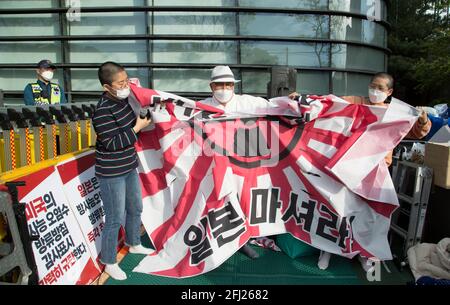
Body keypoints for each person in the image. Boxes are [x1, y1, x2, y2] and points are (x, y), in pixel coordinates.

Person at [289, 72, 432, 271]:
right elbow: (329, 103)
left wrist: (423, 119)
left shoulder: (395, 112)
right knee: (338, 209)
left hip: (376, 170)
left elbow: (418, 131)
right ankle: (327, 250)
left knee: (369, 216)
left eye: (381, 88)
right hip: (346, 167)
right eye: (373, 85)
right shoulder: (355, 102)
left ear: (390, 92)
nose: (375, 90)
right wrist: (304, 98)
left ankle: (365, 254)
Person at [199, 66, 299, 259]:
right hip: (218, 165)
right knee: (223, 200)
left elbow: (273, 106)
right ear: (211, 86)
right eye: (220, 85)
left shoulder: (247, 102)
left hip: (246, 164)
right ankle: (231, 240)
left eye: (228, 84)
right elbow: (178, 117)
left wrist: (291, 100)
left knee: (246, 199)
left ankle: (249, 237)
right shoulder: (201, 106)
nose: (224, 88)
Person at [92, 61, 153, 280]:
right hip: (111, 172)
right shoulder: (102, 111)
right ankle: (109, 261)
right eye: (120, 83)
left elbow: (136, 120)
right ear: (106, 86)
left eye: (126, 80)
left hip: (128, 165)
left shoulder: (125, 100)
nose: (125, 85)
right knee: (115, 217)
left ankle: (133, 242)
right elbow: (112, 143)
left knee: (135, 207)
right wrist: (137, 128)